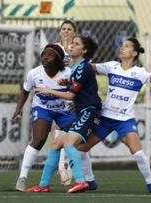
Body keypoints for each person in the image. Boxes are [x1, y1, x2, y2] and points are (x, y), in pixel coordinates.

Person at [77, 38, 151, 194]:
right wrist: (77, 58)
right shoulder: (112, 66)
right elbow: (89, 67)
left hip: (124, 120)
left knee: (138, 153)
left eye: (126, 46)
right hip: (105, 118)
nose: (121, 48)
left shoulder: (139, 73)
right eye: (121, 45)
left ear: (133, 53)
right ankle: (90, 181)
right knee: (80, 150)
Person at [26, 36, 101, 193]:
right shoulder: (75, 67)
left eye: (76, 44)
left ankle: (81, 180)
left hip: (89, 111)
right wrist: (66, 84)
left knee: (68, 143)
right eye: (72, 43)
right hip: (81, 112)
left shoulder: (82, 68)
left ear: (84, 50)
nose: (72, 46)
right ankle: (43, 185)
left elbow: (71, 96)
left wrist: (50, 90)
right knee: (56, 144)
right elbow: (80, 88)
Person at [13, 44, 75, 191]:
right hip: (43, 108)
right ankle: (22, 178)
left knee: (76, 140)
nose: (45, 57)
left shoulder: (69, 73)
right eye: (43, 54)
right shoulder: (34, 73)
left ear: (58, 59)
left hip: (64, 110)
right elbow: (25, 91)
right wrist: (18, 108)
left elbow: (79, 91)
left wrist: (76, 103)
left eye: (50, 55)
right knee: (39, 139)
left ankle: (80, 176)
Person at [55, 20, 97, 188]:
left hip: (82, 107)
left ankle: (78, 177)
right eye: (63, 29)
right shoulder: (56, 50)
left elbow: (73, 91)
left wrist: (49, 90)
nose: (66, 32)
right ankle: (87, 179)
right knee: (62, 141)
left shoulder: (81, 64)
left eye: (69, 30)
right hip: (68, 104)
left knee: (71, 143)